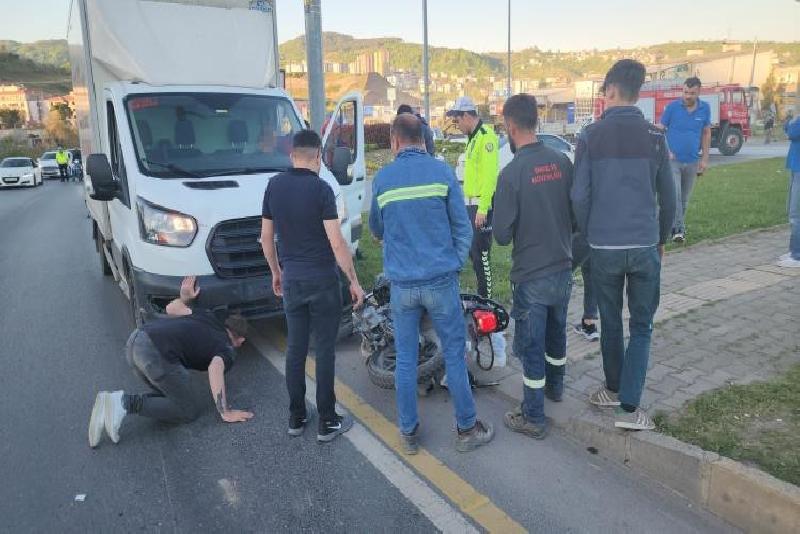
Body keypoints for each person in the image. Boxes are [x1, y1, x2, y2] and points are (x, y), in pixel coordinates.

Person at [369, 114, 494, 455]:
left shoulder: (382, 180)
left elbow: (376, 229)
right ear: (423, 139)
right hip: (441, 280)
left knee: (406, 359)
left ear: (395, 141)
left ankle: (408, 434)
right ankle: (467, 429)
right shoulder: (442, 173)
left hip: (403, 285)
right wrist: (453, 261)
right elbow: (462, 227)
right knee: (454, 353)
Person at [572, 59, 676, 431]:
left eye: (603, 91)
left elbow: (579, 195)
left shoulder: (590, 136)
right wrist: (661, 238)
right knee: (643, 326)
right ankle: (629, 409)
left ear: (612, 90)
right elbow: (670, 196)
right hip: (645, 242)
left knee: (611, 321)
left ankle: (614, 389)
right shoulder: (655, 136)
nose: (602, 97)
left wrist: (589, 232)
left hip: (603, 246)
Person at [260, 129, 364, 442]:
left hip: (292, 279)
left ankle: (296, 416)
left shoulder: (273, 187)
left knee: (295, 349)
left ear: (292, 155)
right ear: (318, 157)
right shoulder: (320, 190)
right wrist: (354, 282)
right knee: (324, 352)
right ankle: (327, 421)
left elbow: (266, 238)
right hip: (322, 281)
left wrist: (276, 272)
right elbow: (337, 242)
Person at [88, 276, 253, 448]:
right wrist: (225, 411)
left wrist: (185, 298)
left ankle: (108, 405)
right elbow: (215, 368)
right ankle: (124, 402)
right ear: (240, 340)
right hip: (154, 353)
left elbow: (171, 308)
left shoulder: (205, 316)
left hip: (136, 340)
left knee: (173, 393)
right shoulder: (227, 347)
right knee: (187, 410)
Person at [493, 94, 575, 440]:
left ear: (511, 127)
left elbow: (500, 235)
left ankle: (533, 415)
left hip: (532, 275)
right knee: (557, 335)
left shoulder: (511, 174)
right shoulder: (562, 162)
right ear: (535, 122)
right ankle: (556, 389)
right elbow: (576, 216)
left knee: (531, 347)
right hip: (563, 268)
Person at [446, 96, 507, 364]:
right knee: (472, 255)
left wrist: (483, 208)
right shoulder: (472, 139)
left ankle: (487, 305)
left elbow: (491, 176)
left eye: (457, 119)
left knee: (482, 259)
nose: (456, 124)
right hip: (469, 205)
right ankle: (481, 305)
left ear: (468, 115)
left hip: (482, 207)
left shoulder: (486, 137)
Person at [659, 76, 711, 243]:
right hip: (672, 161)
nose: (687, 96)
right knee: (675, 196)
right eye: (685, 92)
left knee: (684, 198)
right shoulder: (673, 107)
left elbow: (706, 133)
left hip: (692, 160)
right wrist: (667, 151)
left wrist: (704, 159)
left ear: (698, 92)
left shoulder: (705, 108)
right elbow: (661, 130)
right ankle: (678, 230)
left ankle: (670, 227)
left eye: (692, 93)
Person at [778, 112, 800, 268]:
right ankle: (794, 250)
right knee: (791, 209)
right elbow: (787, 130)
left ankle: (797, 255)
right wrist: (790, 122)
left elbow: (792, 132)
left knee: (795, 212)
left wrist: (792, 121)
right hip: (795, 166)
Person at [572, 231, 600, 341]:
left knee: (560, 274)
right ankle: (590, 324)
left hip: (580, 233)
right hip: (598, 234)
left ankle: (554, 332)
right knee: (591, 274)